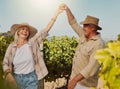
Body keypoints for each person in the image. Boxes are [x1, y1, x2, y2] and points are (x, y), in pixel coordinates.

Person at [2, 7, 62, 89]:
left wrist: (55, 15)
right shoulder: (11, 46)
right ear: (18, 32)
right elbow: (5, 62)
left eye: (27, 30)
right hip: (16, 79)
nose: (25, 31)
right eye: (23, 29)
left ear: (28, 34)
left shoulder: (32, 43)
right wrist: (8, 74)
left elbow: (45, 31)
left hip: (31, 79)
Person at [59, 4, 105, 89]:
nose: (83, 28)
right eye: (83, 25)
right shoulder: (83, 36)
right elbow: (73, 23)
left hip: (85, 86)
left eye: (86, 26)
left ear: (93, 28)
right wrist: (67, 9)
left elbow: (92, 68)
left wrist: (74, 80)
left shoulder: (99, 44)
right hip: (75, 82)